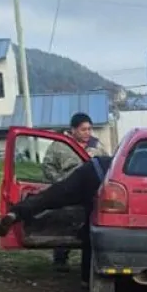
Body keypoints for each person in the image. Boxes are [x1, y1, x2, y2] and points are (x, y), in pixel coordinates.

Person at [0, 156, 113, 287]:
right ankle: (87, 278)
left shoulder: (121, 152)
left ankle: (15, 213)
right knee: (91, 230)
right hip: (103, 181)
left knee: (51, 196)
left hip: (92, 167)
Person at [41, 112, 110, 272]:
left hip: (90, 192)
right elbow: (47, 166)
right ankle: (60, 257)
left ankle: (90, 260)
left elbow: (107, 164)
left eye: (89, 129)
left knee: (89, 223)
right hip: (67, 190)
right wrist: (60, 181)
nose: (87, 133)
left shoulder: (97, 146)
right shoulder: (59, 145)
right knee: (63, 221)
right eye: (83, 130)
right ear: (73, 130)